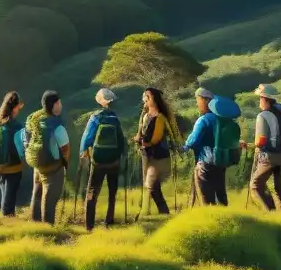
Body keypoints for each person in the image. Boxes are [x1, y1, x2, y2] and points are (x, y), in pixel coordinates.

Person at [80, 88, 127, 230]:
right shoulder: (115, 117)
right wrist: (122, 155)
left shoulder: (95, 117)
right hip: (114, 160)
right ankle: (109, 221)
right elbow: (121, 138)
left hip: (98, 161)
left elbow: (87, 137)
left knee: (92, 190)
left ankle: (89, 225)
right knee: (112, 191)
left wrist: (83, 151)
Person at [23, 90, 71, 225]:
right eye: (59, 102)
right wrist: (65, 164)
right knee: (49, 198)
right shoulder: (56, 125)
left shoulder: (34, 118)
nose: (60, 105)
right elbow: (65, 148)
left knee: (37, 195)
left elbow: (26, 138)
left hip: (38, 164)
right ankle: (47, 229)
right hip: (53, 166)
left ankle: (35, 225)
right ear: (54, 104)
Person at [249, 83, 281, 211]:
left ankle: (270, 212)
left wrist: (250, 145)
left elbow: (261, 141)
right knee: (278, 187)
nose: (259, 101)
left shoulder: (263, 115)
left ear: (264, 99)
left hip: (269, 156)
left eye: (260, 98)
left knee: (256, 185)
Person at [133, 87, 179, 215]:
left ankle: (162, 211)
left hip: (157, 156)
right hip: (147, 154)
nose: (145, 99)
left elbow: (155, 139)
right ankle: (160, 212)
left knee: (151, 185)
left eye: (147, 97)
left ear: (153, 98)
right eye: (145, 97)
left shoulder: (159, 117)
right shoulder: (146, 115)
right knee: (151, 186)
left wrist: (140, 141)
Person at [182, 87, 230, 206]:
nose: (197, 104)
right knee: (220, 194)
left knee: (206, 198)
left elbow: (193, 140)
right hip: (220, 161)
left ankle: (210, 219)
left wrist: (183, 148)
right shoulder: (222, 120)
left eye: (198, 100)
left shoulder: (203, 120)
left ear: (205, 101)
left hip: (205, 162)